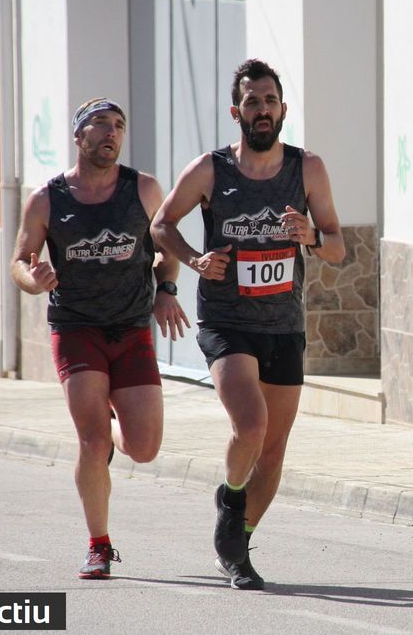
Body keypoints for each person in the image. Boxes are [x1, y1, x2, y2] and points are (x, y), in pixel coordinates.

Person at [151, 59, 346, 590]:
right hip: (226, 320)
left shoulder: (307, 169)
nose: (262, 110)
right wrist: (193, 261)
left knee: (274, 450)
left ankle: (238, 540)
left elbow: (336, 247)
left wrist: (310, 236)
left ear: (283, 110)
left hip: (284, 323)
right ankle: (232, 499)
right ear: (236, 112)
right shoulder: (211, 170)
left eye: (270, 101)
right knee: (251, 425)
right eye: (252, 102)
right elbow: (161, 224)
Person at [10, 98, 190, 579]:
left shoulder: (144, 189)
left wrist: (166, 290)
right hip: (76, 329)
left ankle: (110, 427)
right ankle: (99, 545)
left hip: (131, 329)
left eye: (119, 125)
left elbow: (166, 247)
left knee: (145, 448)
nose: (111, 132)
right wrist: (34, 279)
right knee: (91, 443)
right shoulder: (47, 199)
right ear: (78, 136)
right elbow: (19, 261)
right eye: (100, 124)